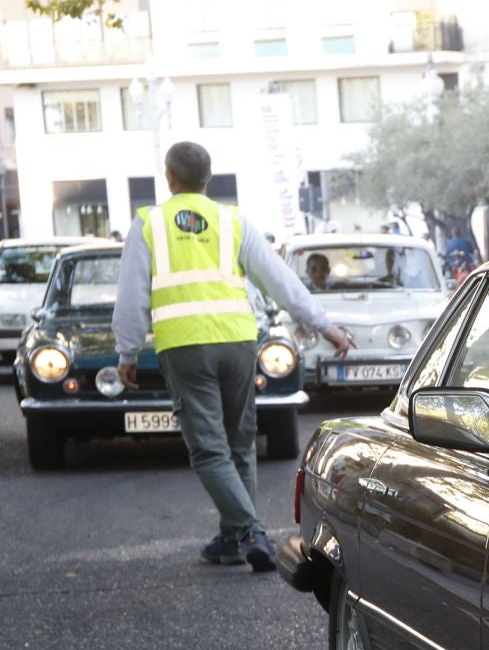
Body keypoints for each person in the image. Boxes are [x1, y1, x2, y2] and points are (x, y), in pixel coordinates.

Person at [113, 141, 354, 570]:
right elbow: (280, 281)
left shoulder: (149, 223)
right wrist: (325, 326)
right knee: (240, 442)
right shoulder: (232, 222)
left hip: (184, 346)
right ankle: (232, 538)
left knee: (208, 450)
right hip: (238, 342)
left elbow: (132, 295)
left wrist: (127, 351)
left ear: (169, 178)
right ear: (207, 179)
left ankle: (249, 529)